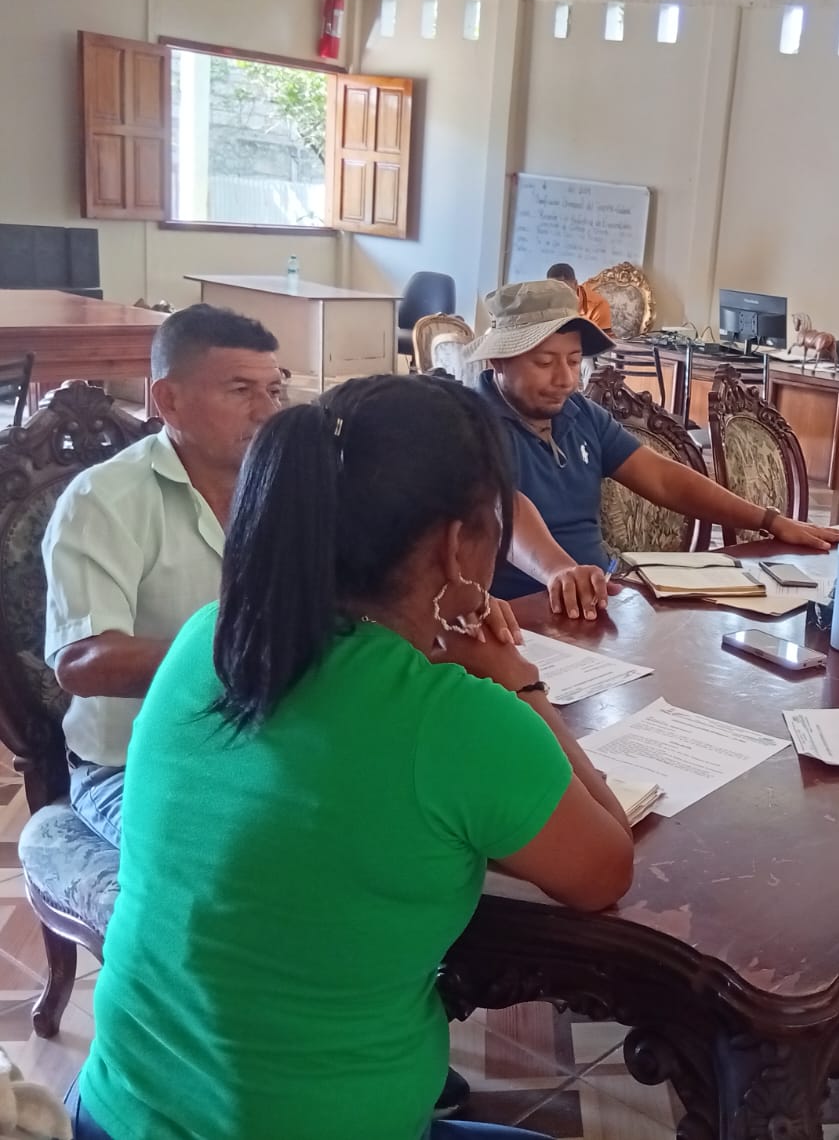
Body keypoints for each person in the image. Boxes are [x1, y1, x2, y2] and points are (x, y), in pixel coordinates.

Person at [71, 374, 634, 1140]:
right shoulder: (456, 720)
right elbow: (606, 868)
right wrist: (519, 683)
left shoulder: (209, 637)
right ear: (456, 546)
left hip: (114, 1112)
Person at [44, 304, 284, 848]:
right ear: (168, 400)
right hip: (129, 766)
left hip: (265, 748)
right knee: (238, 861)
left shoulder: (289, 489)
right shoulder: (103, 499)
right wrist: (246, 656)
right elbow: (81, 663)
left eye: (275, 390)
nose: (267, 412)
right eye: (241, 391)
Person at [467, 280, 839, 602]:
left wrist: (770, 520)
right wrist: (561, 572)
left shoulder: (582, 414)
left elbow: (663, 478)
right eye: (545, 363)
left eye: (573, 361)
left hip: (599, 598)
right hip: (519, 612)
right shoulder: (469, 425)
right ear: (498, 361)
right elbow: (504, 508)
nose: (565, 379)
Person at [547, 261, 612, 335]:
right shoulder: (547, 299)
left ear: (575, 284)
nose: (558, 294)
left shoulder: (598, 304)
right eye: (553, 288)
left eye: (563, 288)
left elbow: (602, 339)